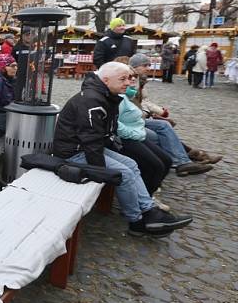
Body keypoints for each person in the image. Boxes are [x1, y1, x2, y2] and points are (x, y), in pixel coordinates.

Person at [52, 62, 193, 237]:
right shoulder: (92, 100)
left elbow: (100, 136)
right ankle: (136, 221)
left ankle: (149, 211)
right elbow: (91, 140)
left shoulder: (106, 95)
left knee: (131, 164)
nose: (129, 82)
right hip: (73, 153)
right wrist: (101, 171)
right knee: (123, 173)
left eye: (129, 78)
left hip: (87, 148)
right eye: (123, 79)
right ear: (105, 80)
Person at [127, 54, 216, 175]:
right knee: (159, 132)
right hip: (131, 121)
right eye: (145, 65)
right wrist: (153, 113)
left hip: (137, 117)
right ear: (136, 66)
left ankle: (185, 161)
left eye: (148, 65)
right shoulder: (130, 78)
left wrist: (158, 112)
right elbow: (133, 105)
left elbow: (141, 102)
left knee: (164, 126)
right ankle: (186, 160)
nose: (148, 68)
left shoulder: (137, 79)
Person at [115, 71, 172, 206]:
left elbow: (137, 113)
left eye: (132, 79)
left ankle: (146, 196)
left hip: (135, 134)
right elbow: (116, 126)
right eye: (125, 79)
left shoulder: (127, 95)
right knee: (155, 165)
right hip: (125, 138)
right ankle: (143, 202)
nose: (130, 82)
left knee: (166, 160)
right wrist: (136, 131)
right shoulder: (115, 98)